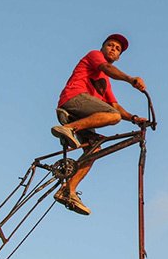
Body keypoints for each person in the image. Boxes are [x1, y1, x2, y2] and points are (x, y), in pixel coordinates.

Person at [52, 33, 147, 215]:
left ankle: (68, 190)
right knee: (113, 117)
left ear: (119, 57)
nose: (113, 49)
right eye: (111, 45)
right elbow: (106, 69)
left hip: (82, 114)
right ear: (103, 47)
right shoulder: (95, 56)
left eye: (117, 49)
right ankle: (68, 129)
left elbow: (115, 106)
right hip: (74, 99)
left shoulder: (106, 82)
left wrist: (134, 118)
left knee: (94, 150)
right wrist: (130, 79)